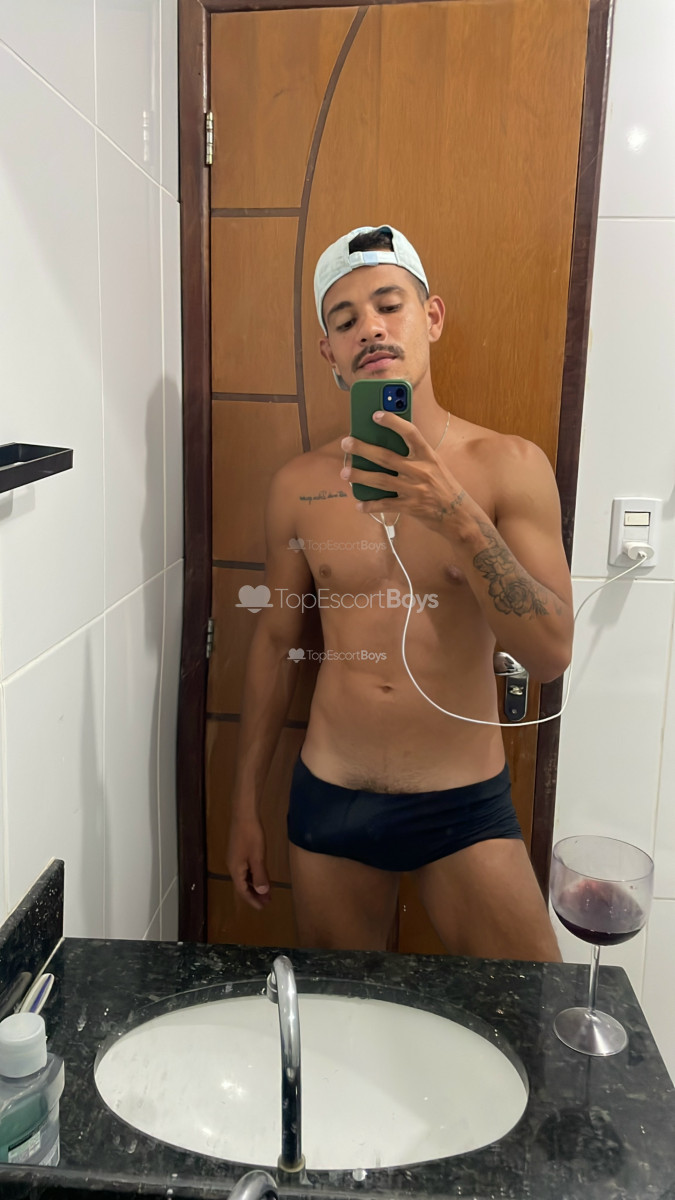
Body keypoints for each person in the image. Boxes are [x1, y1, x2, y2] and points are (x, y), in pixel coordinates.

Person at [226, 224, 572, 961]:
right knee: (343, 1018)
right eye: (345, 320)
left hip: (463, 804)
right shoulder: (297, 486)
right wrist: (243, 805)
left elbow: (549, 654)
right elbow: (276, 643)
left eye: (390, 306)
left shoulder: (509, 466)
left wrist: (458, 517)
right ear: (329, 352)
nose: (371, 329)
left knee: (529, 1012)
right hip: (333, 797)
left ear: (431, 318)